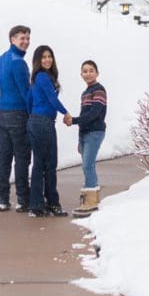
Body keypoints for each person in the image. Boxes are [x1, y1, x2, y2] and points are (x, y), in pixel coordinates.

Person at [0, 25, 33, 213]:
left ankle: (2, 199)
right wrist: (35, 112)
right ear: (12, 39)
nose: (26, 41)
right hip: (19, 114)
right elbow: (25, 92)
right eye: (22, 38)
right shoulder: (18, 62)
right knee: (21, 157)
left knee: (4, 156)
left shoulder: (0, 60)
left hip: (3, 116)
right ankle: (22, 199)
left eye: (28, 38)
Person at [26, 44, 71, 218]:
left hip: (36, 122)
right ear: (38, 60)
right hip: (43, 123)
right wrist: (65, 113)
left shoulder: (37, 78)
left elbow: (29, 101)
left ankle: (37, 205)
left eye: (49, 56)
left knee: (39, 163)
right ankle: (53, 203)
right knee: (49, 164)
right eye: (43, 57)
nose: (47, 59)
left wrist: (34, 117)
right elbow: (52, 99)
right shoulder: (43, 77)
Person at [64, 60, 107, 216]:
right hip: (85, 134)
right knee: (88, 165)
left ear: (97, 73)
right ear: (81, 74)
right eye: (85, 71)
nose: (88, 73)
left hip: (95, 132)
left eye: (91, 70)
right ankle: (91, 197)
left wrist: (73, 120)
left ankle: (91, 202)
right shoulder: (85, 93)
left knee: (87, 165)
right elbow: (84, 116)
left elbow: (94, 114)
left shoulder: (99, 90)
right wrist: (79, 139)